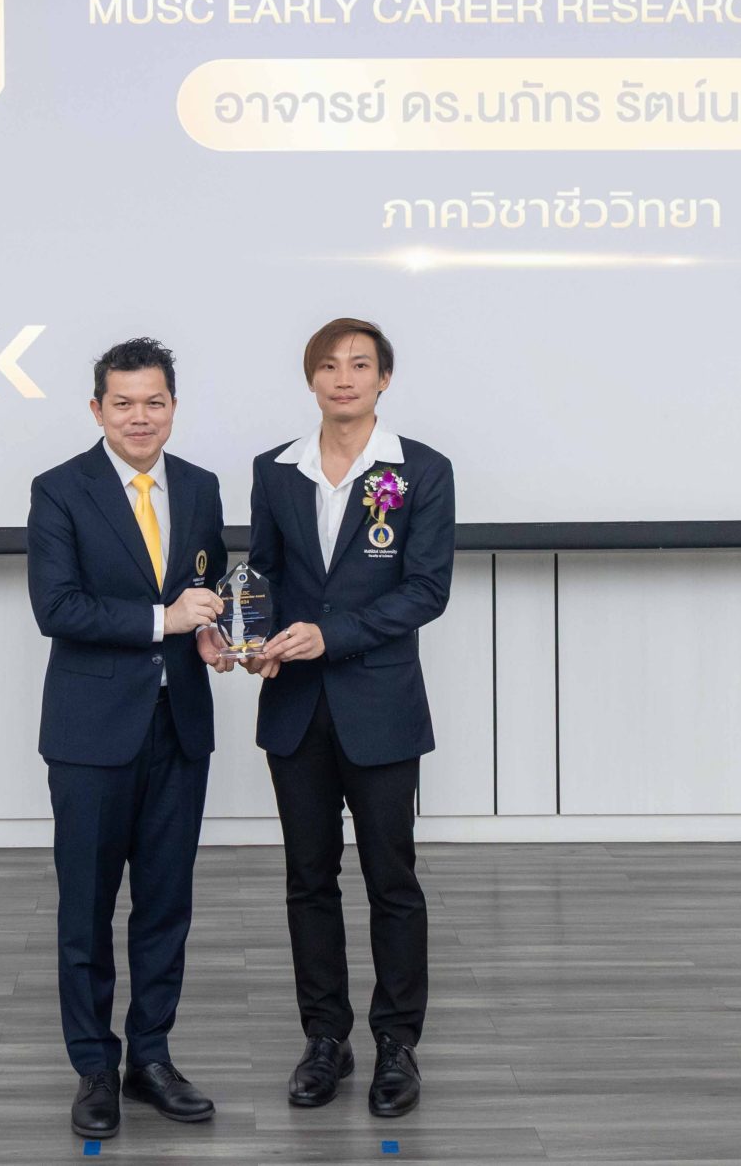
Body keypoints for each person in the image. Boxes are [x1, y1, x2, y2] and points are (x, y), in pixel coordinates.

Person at [244, 317, 453, 1118]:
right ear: (312, 378)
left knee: (391, 879)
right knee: (308, 878)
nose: (344, 377)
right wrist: (256, 638)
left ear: (383, 379)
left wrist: (332, 635)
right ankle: (325, 1037)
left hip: (380, 705)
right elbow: (263, 574)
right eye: (329, 365)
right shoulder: (276, 470)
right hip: (296, 706)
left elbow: (425, 589)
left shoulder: (421, 469)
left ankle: (397, 1043)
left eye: (360, 364)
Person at [26, 337, 234, 1139]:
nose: (139, 416)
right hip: (90, 732)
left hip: (179, 726)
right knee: (86, 908)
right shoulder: (59, 489)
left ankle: (150, 1056)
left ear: (173, 405)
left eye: (154, 401)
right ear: (97, 409)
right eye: (123, 403)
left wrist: (210, 631)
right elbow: (57, 607)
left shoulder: (201, 486)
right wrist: (164, 619)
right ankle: (93, 1067)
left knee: (166, 904)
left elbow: (207, 589)